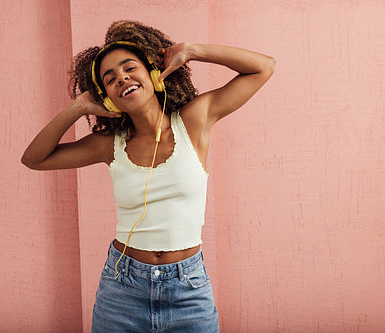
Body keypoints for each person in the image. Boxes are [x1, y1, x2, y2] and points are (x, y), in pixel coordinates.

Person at [22, 20, 275, 333]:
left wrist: (193, 50)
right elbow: (34, 159)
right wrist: (78, 107)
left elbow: (264, 67)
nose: (122, 78)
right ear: (106, 95)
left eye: (130, 68)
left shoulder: (193, 122)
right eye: (110, 78)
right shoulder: (109, 146)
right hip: (122, 287)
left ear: (154, 74)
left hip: (188, 288)